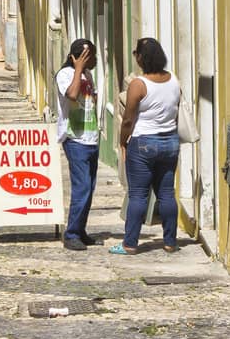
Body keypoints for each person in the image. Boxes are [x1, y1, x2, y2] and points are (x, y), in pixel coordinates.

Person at [111, 37, 182, 255]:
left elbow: (128, 120)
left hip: (143, 143)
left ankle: (130, 243)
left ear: (141, 58)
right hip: (170, 141)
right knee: (167, 194)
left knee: (139, 195)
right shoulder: (173, 80)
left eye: (136, 54)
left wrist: (123, 141)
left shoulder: (138, 85)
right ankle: (170, 242)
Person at [56, 39, 101, 251]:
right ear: (76, 58)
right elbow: (72, 95)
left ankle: (80, 230)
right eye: (88, 56)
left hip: (91, 137)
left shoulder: (88, 75)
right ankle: (71, 233)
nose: (93, 60)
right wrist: (78, 69)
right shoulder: (65, 75)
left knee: (89, 188)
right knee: (81, 187)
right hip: (75, 139)